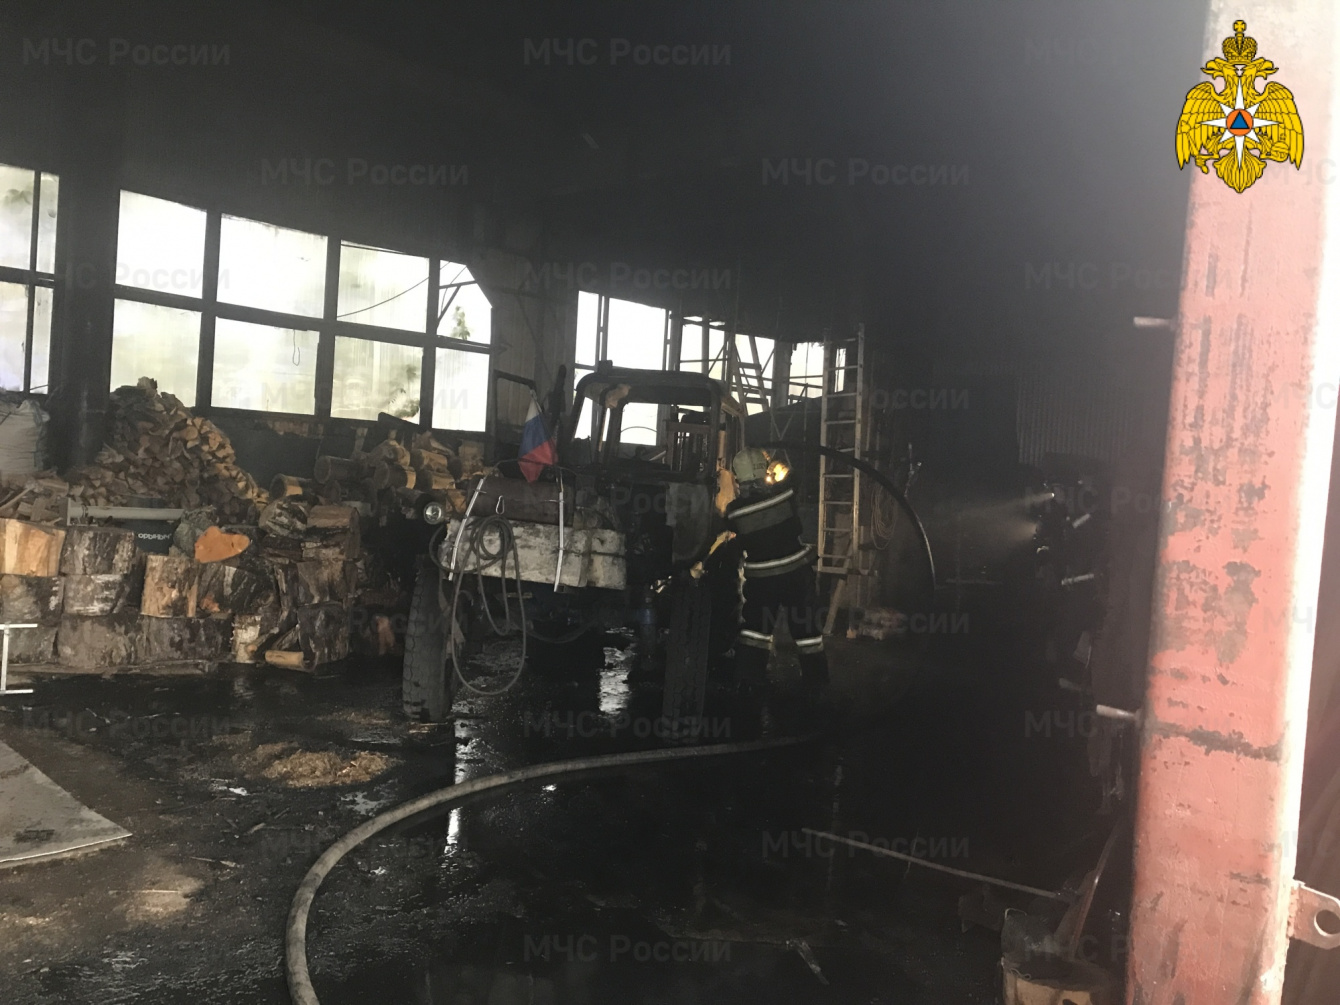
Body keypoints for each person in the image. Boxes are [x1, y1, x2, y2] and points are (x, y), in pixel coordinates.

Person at [725, 447, 829, 689]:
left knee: (756, 631)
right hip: (796, 575)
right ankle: (816, 685)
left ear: (739, 479)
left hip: (763, 580)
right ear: (764, 473)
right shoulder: (784, 495)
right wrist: (777, 468)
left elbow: (732, 533)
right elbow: (794, 478)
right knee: (807, 633)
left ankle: (749, 681)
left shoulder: (735, 511)